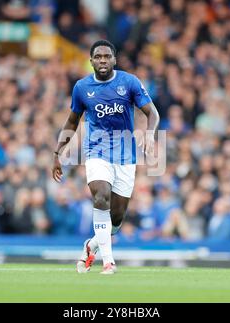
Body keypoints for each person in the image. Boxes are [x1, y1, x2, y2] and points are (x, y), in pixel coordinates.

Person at [52, 39, 159, 274]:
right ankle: (108, 262)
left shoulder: (128, 82)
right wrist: (57, 152)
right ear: (90, 61)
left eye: (106, 56)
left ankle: (90, 245)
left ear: (114, 59)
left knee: (117, 219)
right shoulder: (81, 87)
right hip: (96, 152)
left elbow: (152, 113)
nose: (102, 60)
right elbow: (72, 120)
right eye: (98, 57)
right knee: (101, 197)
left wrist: (150, 135)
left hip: (125, 156)